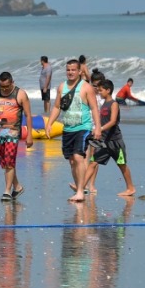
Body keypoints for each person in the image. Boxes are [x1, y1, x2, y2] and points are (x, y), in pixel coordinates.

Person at [47, 58, 102, 203]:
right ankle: (79, 188)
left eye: (73, 70)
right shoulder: (62, 87)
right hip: (67, 128)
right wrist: (49, 124)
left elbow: (94, 108)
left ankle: (80, 192)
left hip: (83, 127)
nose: (70, 72)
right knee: (72, 161)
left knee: (79, 157)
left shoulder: (86, 87)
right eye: (68, 70)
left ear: (79, 71)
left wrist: (97, 127)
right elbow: (57, 107)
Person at [0, 71, 34, 201]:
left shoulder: (20, 94)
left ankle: (7, 191)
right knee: (3, 162)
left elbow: (28, 115)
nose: (4, 89)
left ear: (12, 83)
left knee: (9, 161)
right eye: (1, 86)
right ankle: (17, 186)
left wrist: (29, 135)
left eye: (7, 86)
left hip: (13, 134)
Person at [92, 79, 137, 197]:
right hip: (104, 140)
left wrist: (99, 129)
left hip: (115, 141)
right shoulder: (103, 104)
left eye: (101, 90)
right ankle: (82, 187)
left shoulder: (114, 104)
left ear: (108, 90)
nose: (99, 92)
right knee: (93, 162)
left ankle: (130, 188)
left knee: (121, 164)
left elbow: (112, 122)